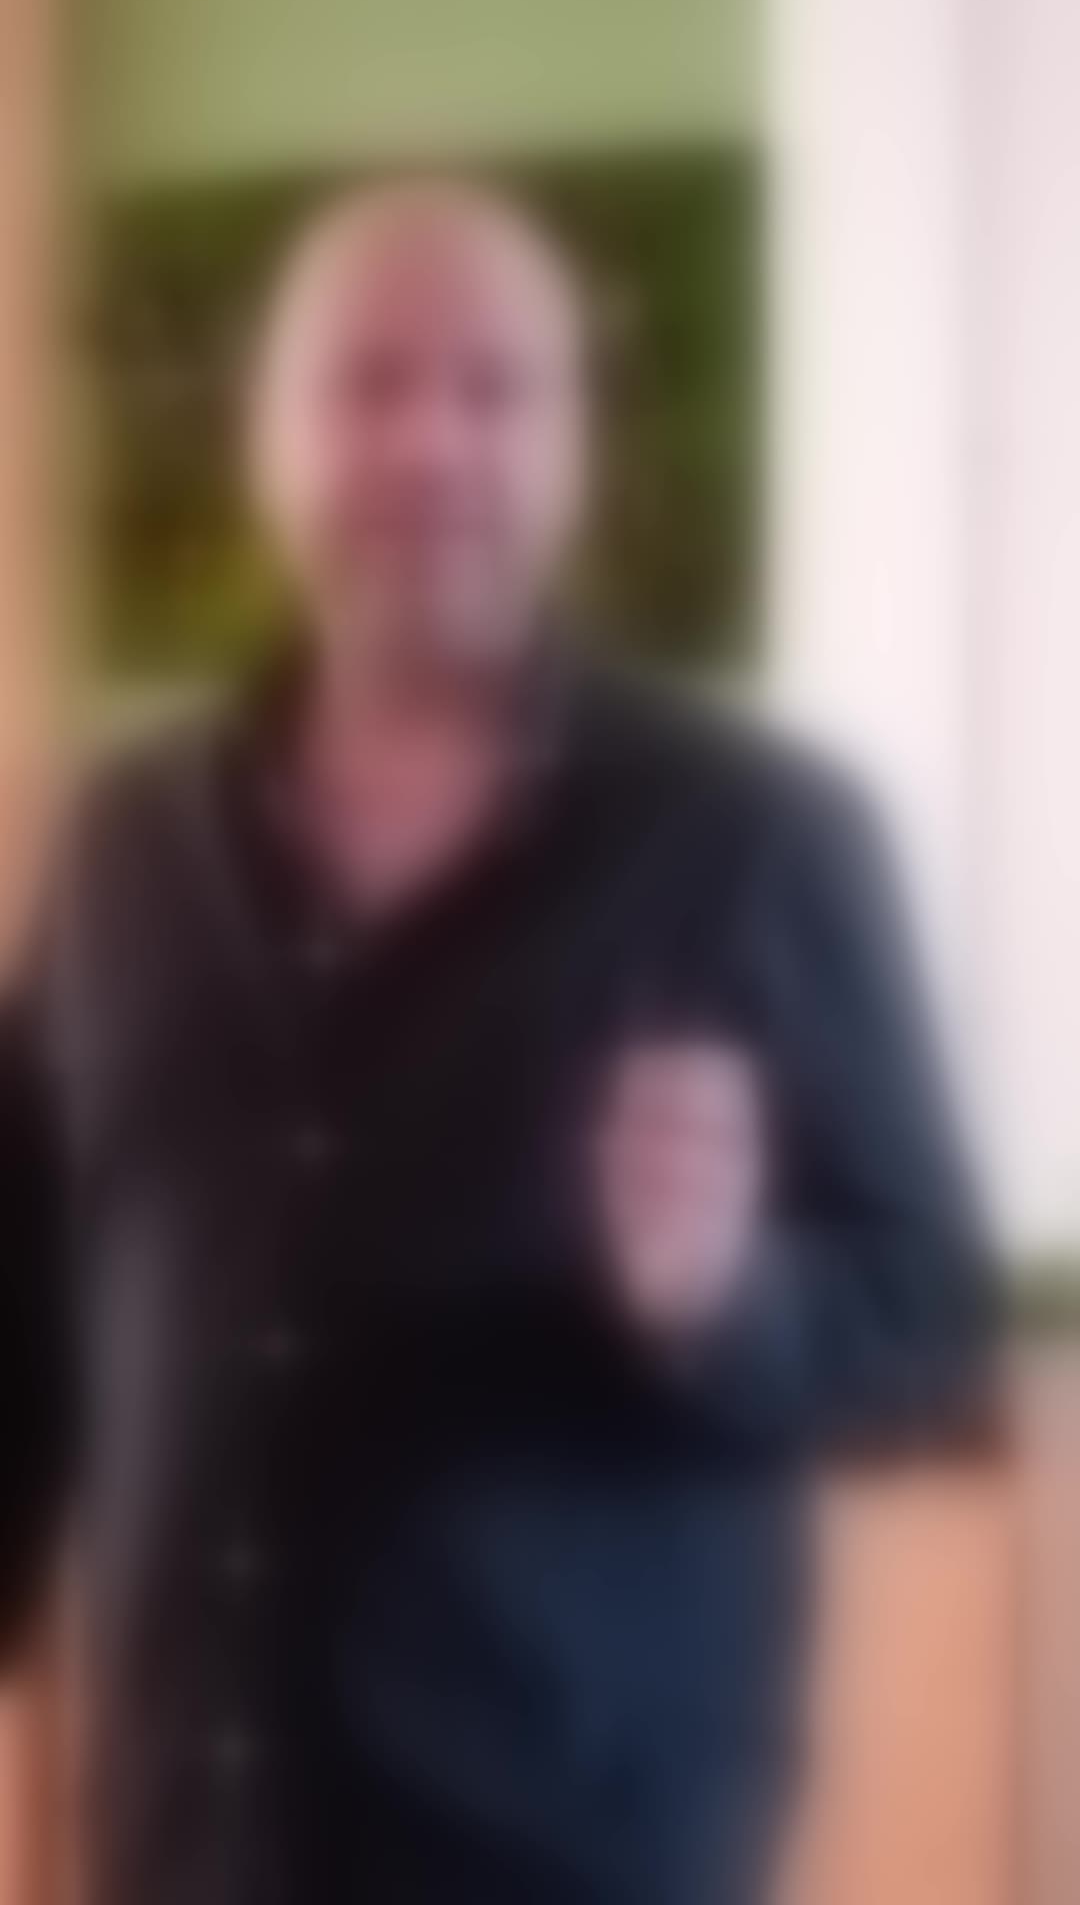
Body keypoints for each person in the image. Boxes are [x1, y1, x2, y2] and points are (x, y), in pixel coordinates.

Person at [0, 177, 997, 1905]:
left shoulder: (761, 836)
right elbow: (23, 1315)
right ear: (270, 436)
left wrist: (721, 1302)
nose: (429, 441)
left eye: (493, 387)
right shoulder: (121, 845)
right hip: (190, 1847)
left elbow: (928, 1331)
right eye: (367, 383)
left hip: (573, 1859)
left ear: (574, 444)